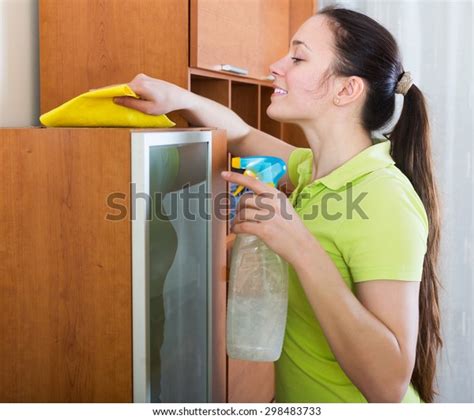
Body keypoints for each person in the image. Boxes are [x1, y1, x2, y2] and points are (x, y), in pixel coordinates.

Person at [113, 5, 442, 403]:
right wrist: (175, 96)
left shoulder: (386, 198)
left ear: (347, 89)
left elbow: (388, 386)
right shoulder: (311, 169)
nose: (275, 66)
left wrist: (298, 244)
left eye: (298, 57)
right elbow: (241, 133)